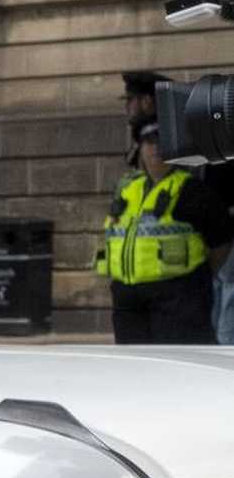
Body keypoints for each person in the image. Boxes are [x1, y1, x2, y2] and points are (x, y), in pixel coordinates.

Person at [97, 122, 230, 344]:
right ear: (140, 147)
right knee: (133, 367)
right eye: (150, 142)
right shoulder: (127, 187)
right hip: (128, 300)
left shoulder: (192, 190)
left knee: (176, 366)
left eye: (162, 141)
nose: (156, 148)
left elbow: (221, 242)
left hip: (177, 296)